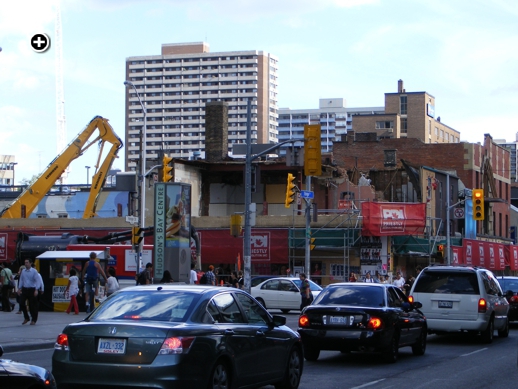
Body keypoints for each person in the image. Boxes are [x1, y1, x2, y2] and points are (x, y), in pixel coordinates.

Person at [17, 259, 40, 325]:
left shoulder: (34, 271)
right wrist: (19, 288)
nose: (26, 264)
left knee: (32, 306)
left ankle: (34, 319)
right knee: (21, 303)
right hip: (24, 289)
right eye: (25, 263)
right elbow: (21, 280)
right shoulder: (23, 271)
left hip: (32, 289)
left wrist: (36, 289)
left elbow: (37, 281)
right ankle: (26, 317)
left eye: (27, 262)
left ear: (30, 263)